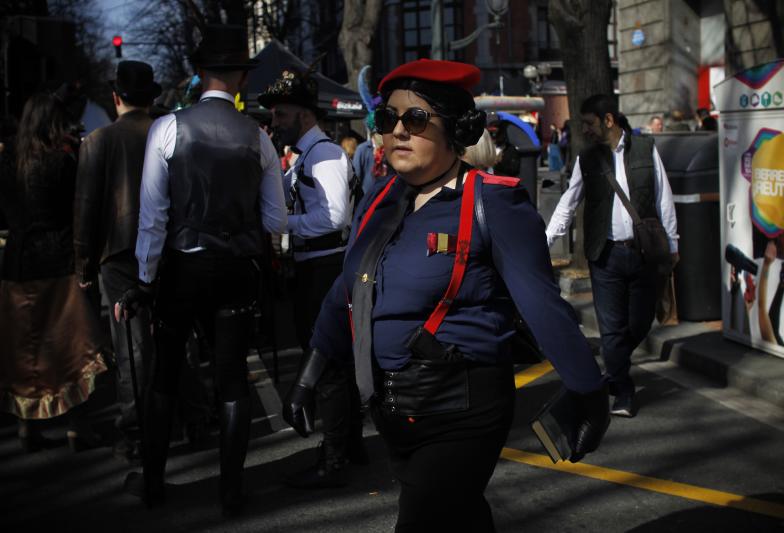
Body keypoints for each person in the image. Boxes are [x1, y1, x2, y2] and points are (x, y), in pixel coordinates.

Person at [282, 59, 610, 532]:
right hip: (394, 411)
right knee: (463, 519)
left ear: (456, 129)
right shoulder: (381, 199)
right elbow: (346, 290)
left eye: (415, 119)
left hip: (462, 412)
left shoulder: (493, 202)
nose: (397, 130)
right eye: (386, 118)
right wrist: (309, 374)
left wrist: (589, 392)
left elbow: (542, 305)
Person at [116, 24, 287, 515]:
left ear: (198, 73)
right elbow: (275, 220)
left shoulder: (167, 128)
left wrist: (145, 279)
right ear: (241, 78)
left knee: (165, 376)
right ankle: (231, 492)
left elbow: (153, 217)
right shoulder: (258, 138)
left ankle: (153, 482)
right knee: (232, 381)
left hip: (183, 266)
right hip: (235, 268)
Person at [259, 68, 367, 488]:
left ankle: (335, 458)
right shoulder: (309, 155)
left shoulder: (323, 155)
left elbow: (334, 217)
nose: (275, 122)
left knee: (327, 365)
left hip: (324, 270)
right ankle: (349, 447)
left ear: (304, 114)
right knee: (334, 361)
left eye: (281, 114)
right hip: (315, 268)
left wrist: (284, 224)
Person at [545, 94, 679, 418]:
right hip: (604, 256)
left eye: (589, 123)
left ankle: (614, 364)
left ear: (608, 120)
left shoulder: (645, 149)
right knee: (611, 329)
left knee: (640, 322)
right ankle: (623, 390)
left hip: (643, 253)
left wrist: (672, 245)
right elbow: (568, 202)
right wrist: (545, 241)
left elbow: (663, 198)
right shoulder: (587, 159)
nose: (585, 130)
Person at [0, 91, 108, 452]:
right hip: (59, 259)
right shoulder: (62, 161)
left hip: (18, 262)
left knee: (25, 347)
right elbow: (78, 210)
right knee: (71, 346)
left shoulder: (8, 160)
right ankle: (78, 425)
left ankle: (26, 424)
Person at [73, 60, 162, 462]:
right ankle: (192, 413)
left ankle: (136, 431)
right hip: (167, 247)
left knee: (131, 344)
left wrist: (84, 263)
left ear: (116, 98)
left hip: (119, 251)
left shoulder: (99, 140)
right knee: (176, 334)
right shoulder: (169, 133)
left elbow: (86, 208)